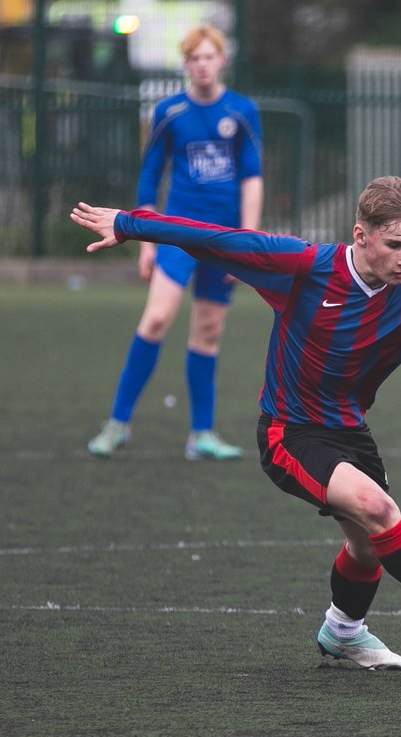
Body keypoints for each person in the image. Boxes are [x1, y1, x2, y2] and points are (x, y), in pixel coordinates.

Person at [71, 176, 401, 669]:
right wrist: (129, 224)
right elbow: (218, 239)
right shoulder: (303, 267)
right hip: (288, 432)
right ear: (361, 235)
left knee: (366, 545)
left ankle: (342, 632)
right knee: (378, 509)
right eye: (395, 245)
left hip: (348, 430)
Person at [87, 24, 263, 461]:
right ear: (186, 64)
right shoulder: (170, 112)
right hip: (177, 236)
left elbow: (252, 178)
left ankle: (201, 434)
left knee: (207, 332)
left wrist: (248, 242)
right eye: (194, 58)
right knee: (158, 318)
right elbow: (150, 177)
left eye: (209, 57)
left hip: (224, 240)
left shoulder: (242, 111)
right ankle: (118, 423)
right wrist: (145, 240)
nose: (202, 65)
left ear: (222, 60)